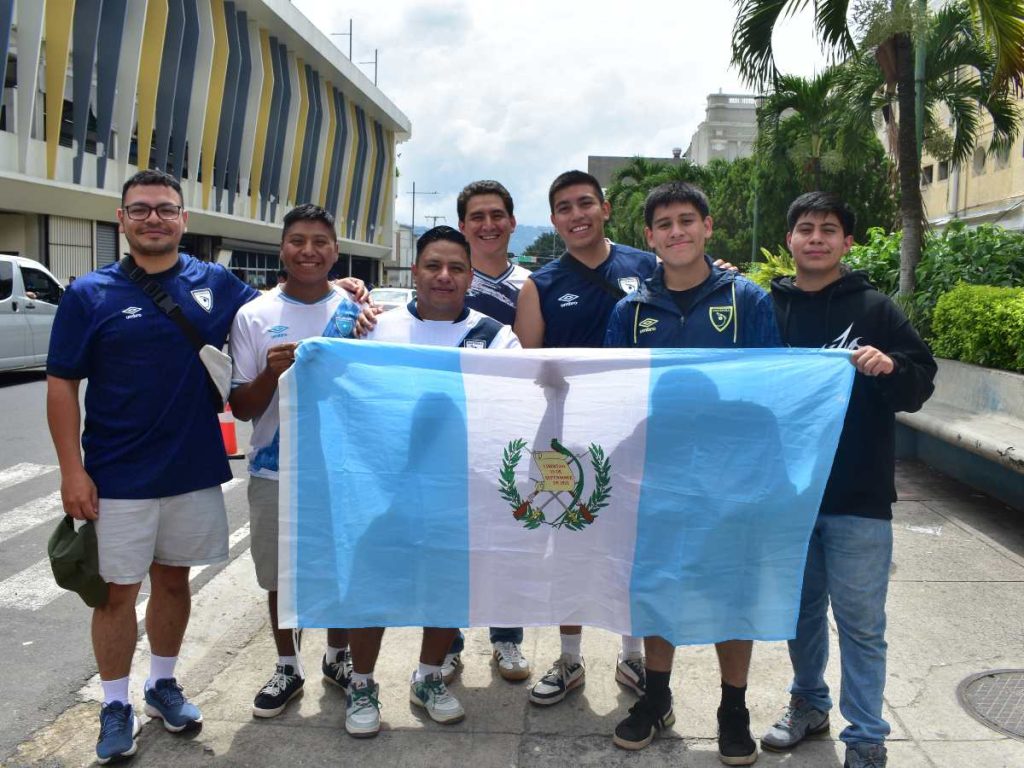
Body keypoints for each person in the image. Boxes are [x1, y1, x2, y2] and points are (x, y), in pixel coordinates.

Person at [45, 170, 261, 764]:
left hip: (192, 468)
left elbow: (277, 312)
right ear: (122, 220)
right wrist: (71, 471)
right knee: (115, 594)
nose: (153, 219)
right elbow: (61, 384)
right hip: (117, 475)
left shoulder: (214, 282)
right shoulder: (89, 294)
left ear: (184, 220)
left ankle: (162, 684)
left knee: (173, 581)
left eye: (165, 209)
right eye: (139, 209)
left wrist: (342, 289)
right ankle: (115, 704)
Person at [604, 181, 781, 765]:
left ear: (708, 226)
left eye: (687, 220)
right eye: (664, 224)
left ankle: (734, 709)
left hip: (732, 480)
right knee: (658, 586)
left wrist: (760, 478)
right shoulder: (629, 311)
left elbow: (768, 390)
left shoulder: (748, 300)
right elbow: (615, 395)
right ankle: (656, 698)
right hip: (657, 474)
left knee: (732, 589)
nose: (676, 231)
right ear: (649, 237)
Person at [323, 225, 520, 738]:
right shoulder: (376, 328)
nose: (444, 276)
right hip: (381, 490)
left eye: (456, 268)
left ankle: (429, 677)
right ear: (415, 271)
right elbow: (336, 391)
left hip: (460, 490)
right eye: (433, 265)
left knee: (447, 588)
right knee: (371, 586)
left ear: (471, 277)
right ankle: (362, 683)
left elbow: (513, 408)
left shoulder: (497, 337)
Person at [760, 192, 935, 768]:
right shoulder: (765, 310)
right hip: (788, 497)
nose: (816, 238)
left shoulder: (877, 310)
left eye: (829, 229)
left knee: (861, 624)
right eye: (806, 228)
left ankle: (865, 736)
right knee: (800, 614)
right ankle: (808, 704)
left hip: (859, 495)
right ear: (789, 239)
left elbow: (919, 383)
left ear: (847, 242)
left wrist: (891, 366)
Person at [513, 169, 657, 707]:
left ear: (605, 208)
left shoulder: (649, 268)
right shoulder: (541, 285)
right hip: (561, 440)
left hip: (634, 431)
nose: (576, 215)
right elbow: (526, 370)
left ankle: (632, 654)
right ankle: (569, 658)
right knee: (567, 543)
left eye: (585, 204)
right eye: (564, 208)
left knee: (632, 544)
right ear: (554, 220)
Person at [228, 205, 363, 719]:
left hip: (343, 470)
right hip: (274, 471)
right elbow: (242, 407)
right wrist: (271, 373)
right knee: (278, 576)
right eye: (298, 241)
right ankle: (288, 664)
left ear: (336, 250)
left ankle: (337, 656)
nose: (309, 251)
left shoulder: (358, 312)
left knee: (341, 568)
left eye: (321, 241)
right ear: (282, 248)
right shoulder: (254, 315)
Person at [441, 179, 532, 684]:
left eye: (497, 215)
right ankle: (446, 643)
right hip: (451, 442)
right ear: (463, 225)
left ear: (513, 222)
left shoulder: (533, 285)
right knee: (454, 545)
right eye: (477, 216)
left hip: (510, 436)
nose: (488, 224)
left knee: (507, 542)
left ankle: (507, 638)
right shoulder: (445, 280)